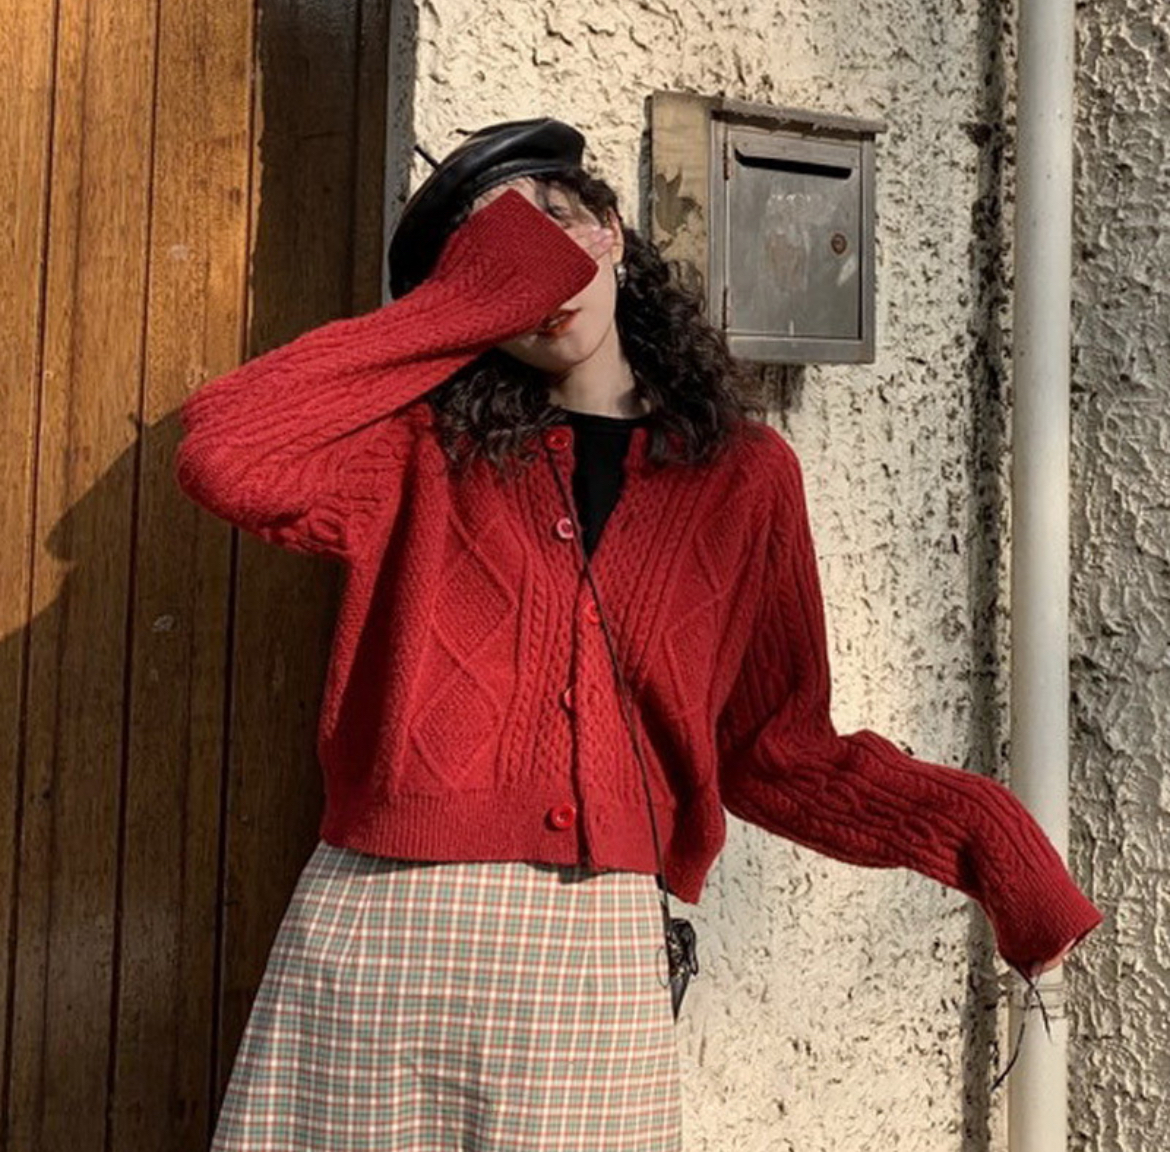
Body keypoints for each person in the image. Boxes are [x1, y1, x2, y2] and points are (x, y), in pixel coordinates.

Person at [174, 118, 1102, 1152]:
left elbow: (777, 750)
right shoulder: (420, 455)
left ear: (611, 231)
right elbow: (224, 453)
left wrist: (986, 838)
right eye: (494, 263)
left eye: (554, 231)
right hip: (389, 932)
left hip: (595, 948)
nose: (536, 279)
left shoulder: (743, 479)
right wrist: (460, 308)